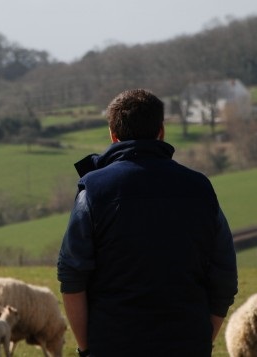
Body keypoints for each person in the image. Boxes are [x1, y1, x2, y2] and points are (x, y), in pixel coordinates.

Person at [57, 88, 238, 357]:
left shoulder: (94, 192)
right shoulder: (200, 189)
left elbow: (72, 274)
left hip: (113, 344)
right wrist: (201, 338)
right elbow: (224, 276)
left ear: (112, 135)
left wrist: (87, 348)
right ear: (161, 131)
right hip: (186, 342)